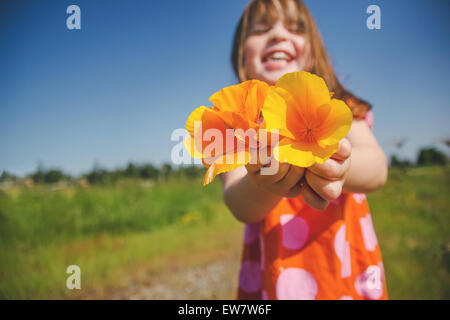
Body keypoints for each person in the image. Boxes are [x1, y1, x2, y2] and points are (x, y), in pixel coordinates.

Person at [221, 0, 388, 300]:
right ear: (240, 56)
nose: (278, 35)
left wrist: (342, 166)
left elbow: (378, 169)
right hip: (277, 280)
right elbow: (238, 203)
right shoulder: (236, 125)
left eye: (296, 29)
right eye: (261, 29)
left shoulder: (338, 106)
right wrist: (264, 181)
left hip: (344, 272)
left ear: (314, 52)